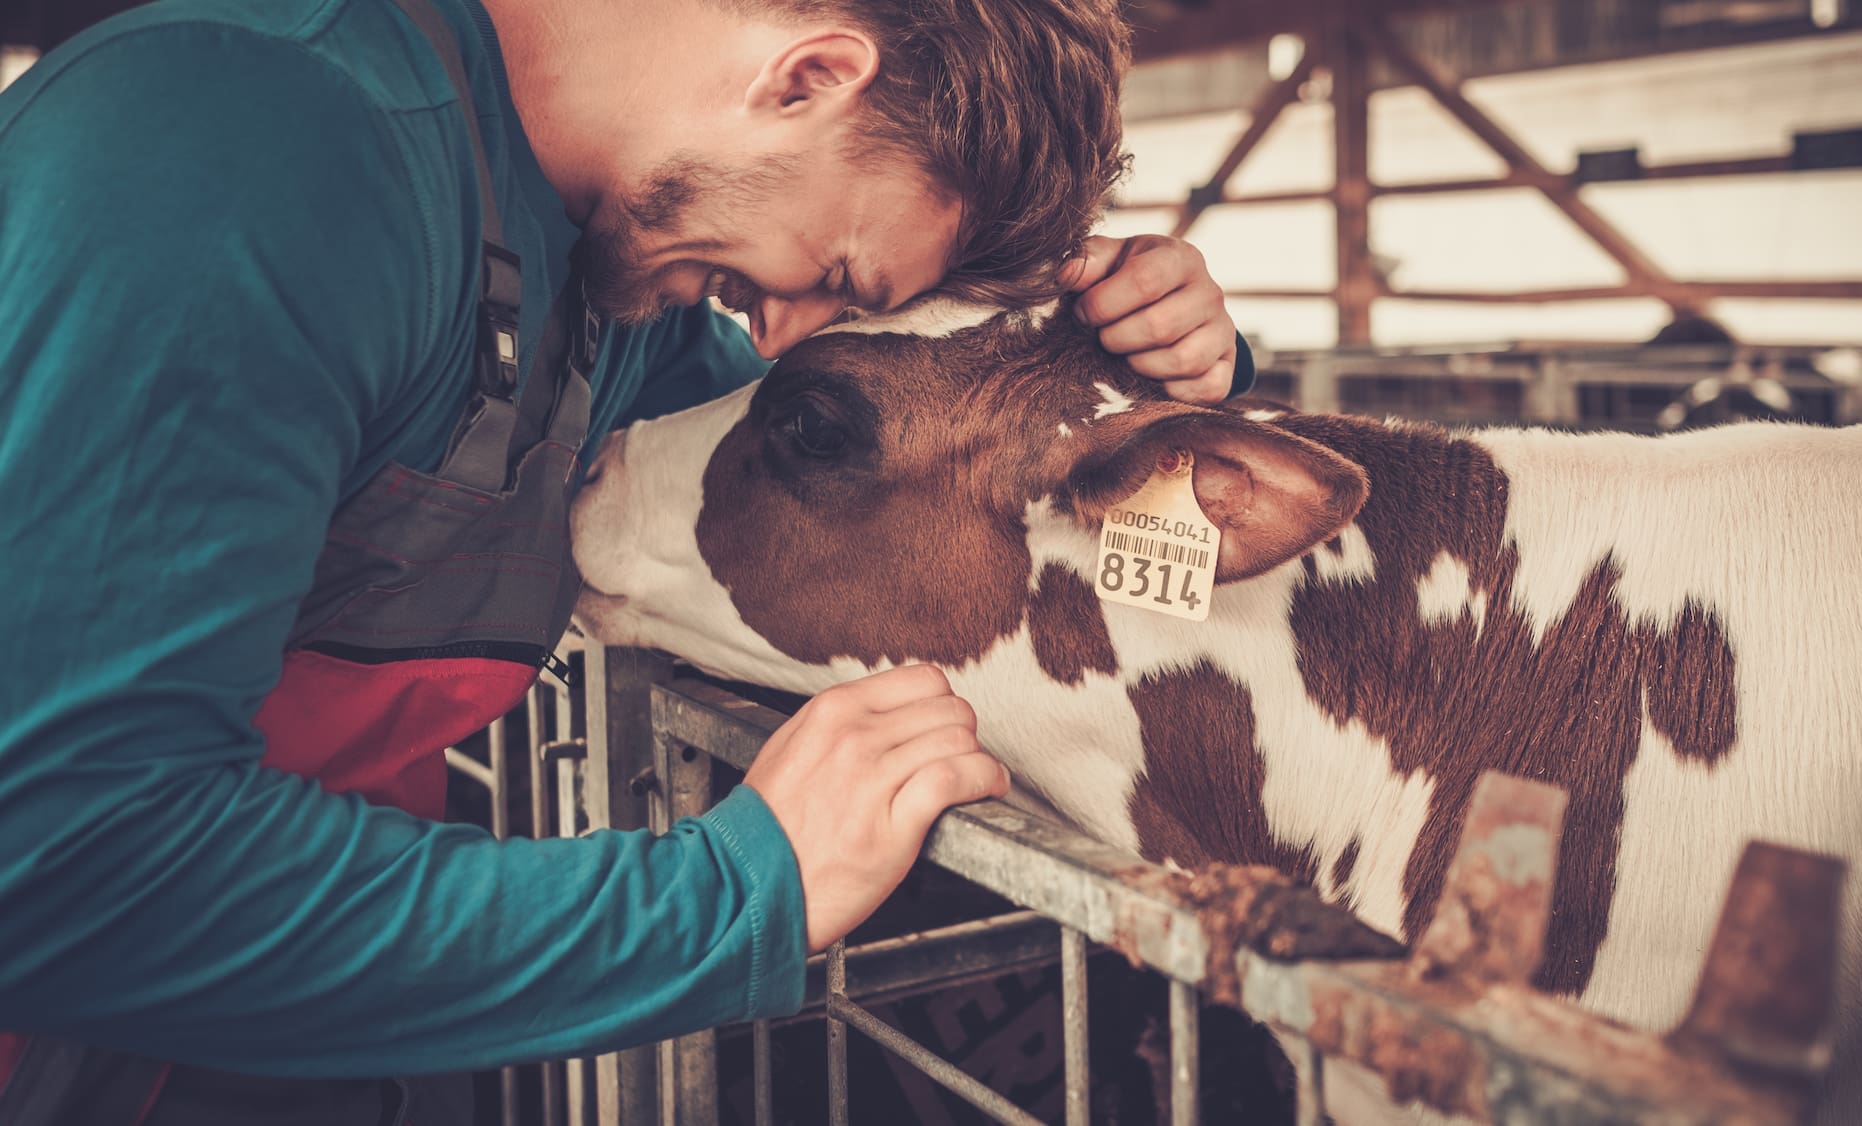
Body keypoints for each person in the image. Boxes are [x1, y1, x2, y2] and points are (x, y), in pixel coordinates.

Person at [0, 0, 1247, 1118]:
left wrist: (1156, 379)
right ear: (809, 75)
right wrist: (730, 893)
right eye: (831, 273)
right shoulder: (242, 140)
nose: (776, 324)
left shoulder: (607, 282)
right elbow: (61, 856)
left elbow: (854, 476)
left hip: (292, 1027)